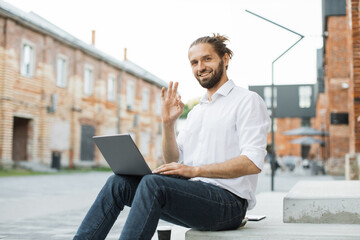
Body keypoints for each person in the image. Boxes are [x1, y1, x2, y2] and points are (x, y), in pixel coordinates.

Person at [73, 34, 270, 240]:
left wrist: (194, 170)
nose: (200, 67)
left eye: (207, 59)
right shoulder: (196, 112)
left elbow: (252, 162)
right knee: (118, 183)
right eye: (194, 62)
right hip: (195, 194)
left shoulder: (247, 101)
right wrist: (168, 124)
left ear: (225, 59)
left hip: (230, 204)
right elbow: (173, 160)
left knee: (152, 184)